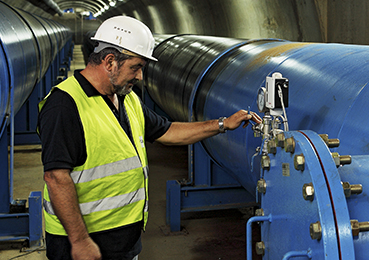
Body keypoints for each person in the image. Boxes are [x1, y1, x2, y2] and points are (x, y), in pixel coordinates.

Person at [37, 16, 260, 260]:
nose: (140, 76)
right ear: (110, 61)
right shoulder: (64, 105)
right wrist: (79, 241)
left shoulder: (126, 98)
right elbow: (56, 177)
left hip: (122, 239)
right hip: (84, 243)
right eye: (136, 67)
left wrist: (222, 124)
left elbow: (167, 131)